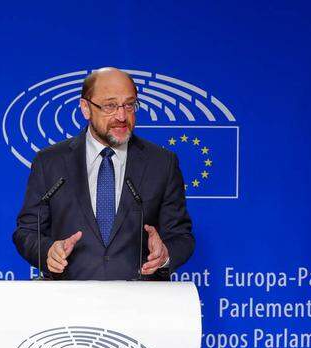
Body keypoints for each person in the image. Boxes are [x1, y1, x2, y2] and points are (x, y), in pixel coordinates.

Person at [12, 67, 194, 280]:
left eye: (129, 105)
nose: (122, 116)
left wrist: (165, 255)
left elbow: (181, 236)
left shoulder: (162, 163)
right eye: (110, 106)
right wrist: (48, 252)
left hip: (140, 303)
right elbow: (26, 231)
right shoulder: (50, 162)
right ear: (85, 108)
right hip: (68, 301)